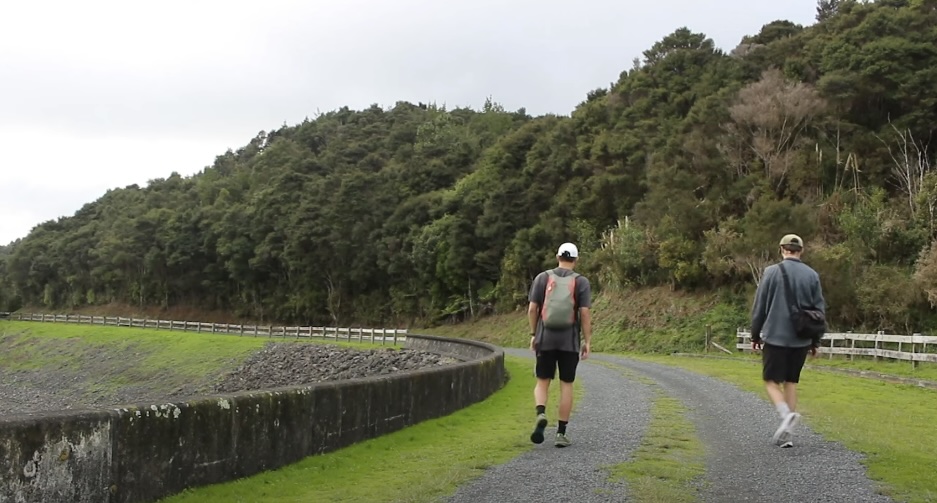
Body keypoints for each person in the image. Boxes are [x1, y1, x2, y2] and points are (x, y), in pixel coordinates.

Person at [750, 234, 826, 448]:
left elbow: (760, 307)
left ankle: (785, 416)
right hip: (800, 339)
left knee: (771, 381)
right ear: (800, 251)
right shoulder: (812, 275)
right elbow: (819, 311)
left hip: (775, 336)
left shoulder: (771, 272)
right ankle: (788, 435)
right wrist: (815, 341)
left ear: (782, 249)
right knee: (791, 382)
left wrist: (755, 335)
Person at [527, 242, 592, 448]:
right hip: (569, 342)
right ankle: (561, 434)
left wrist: (533, 333)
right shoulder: (581, 282)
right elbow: (584, 313)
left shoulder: (542, 278)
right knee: (566, 384)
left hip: (545, 338)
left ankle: (541, 413)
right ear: (576, 259)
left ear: (557, 257)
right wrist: (587, 340)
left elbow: (532, 309)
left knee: (542, 381)